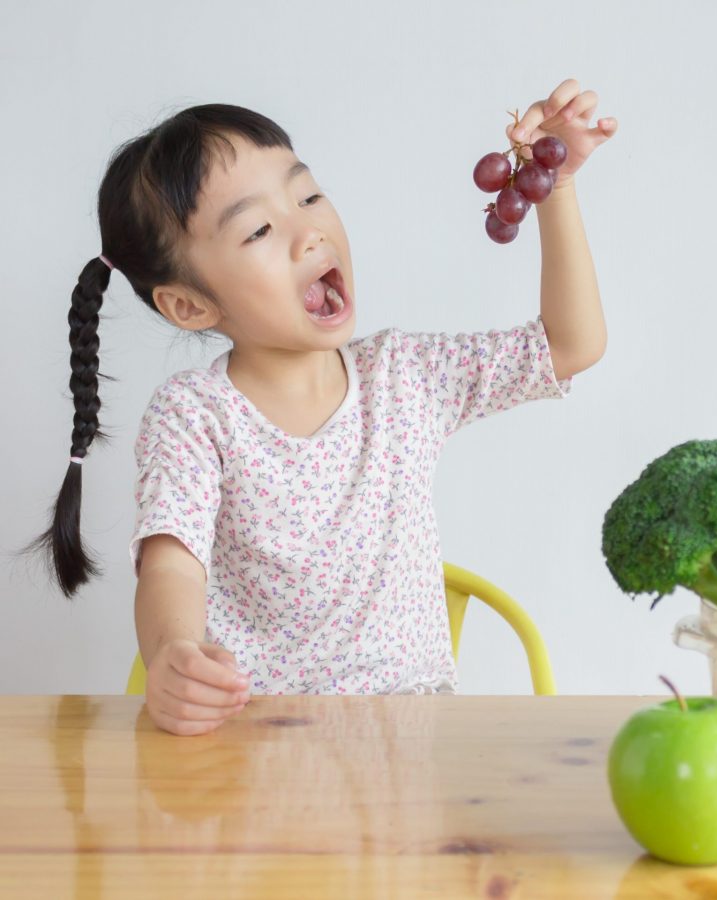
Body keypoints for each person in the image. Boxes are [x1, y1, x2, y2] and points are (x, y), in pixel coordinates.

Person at [27, 79, 617, 735]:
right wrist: (171, 652)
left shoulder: (406, 378)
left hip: (411, 760)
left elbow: (571, 343)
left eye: (307, 194)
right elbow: (172, 560)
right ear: (190, 305)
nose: (309, 231)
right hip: (254, 755)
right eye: (257, 229)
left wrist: (553, 183)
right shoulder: (195, 414)